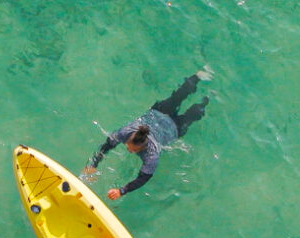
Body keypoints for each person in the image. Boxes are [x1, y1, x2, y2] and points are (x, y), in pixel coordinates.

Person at [82, 67, 213, 199]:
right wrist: (94, 164)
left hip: (174, 128)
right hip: (160, 112)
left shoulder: (152, 154)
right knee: (178, 96)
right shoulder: (126, 132)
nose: (129, 150)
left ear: (143, 147)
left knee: (192, 113)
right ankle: (202, 83)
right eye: (128, 146)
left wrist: (122, 190)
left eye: (133, 150)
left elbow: (143, 178)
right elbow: (107, 145)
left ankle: (207, 96)